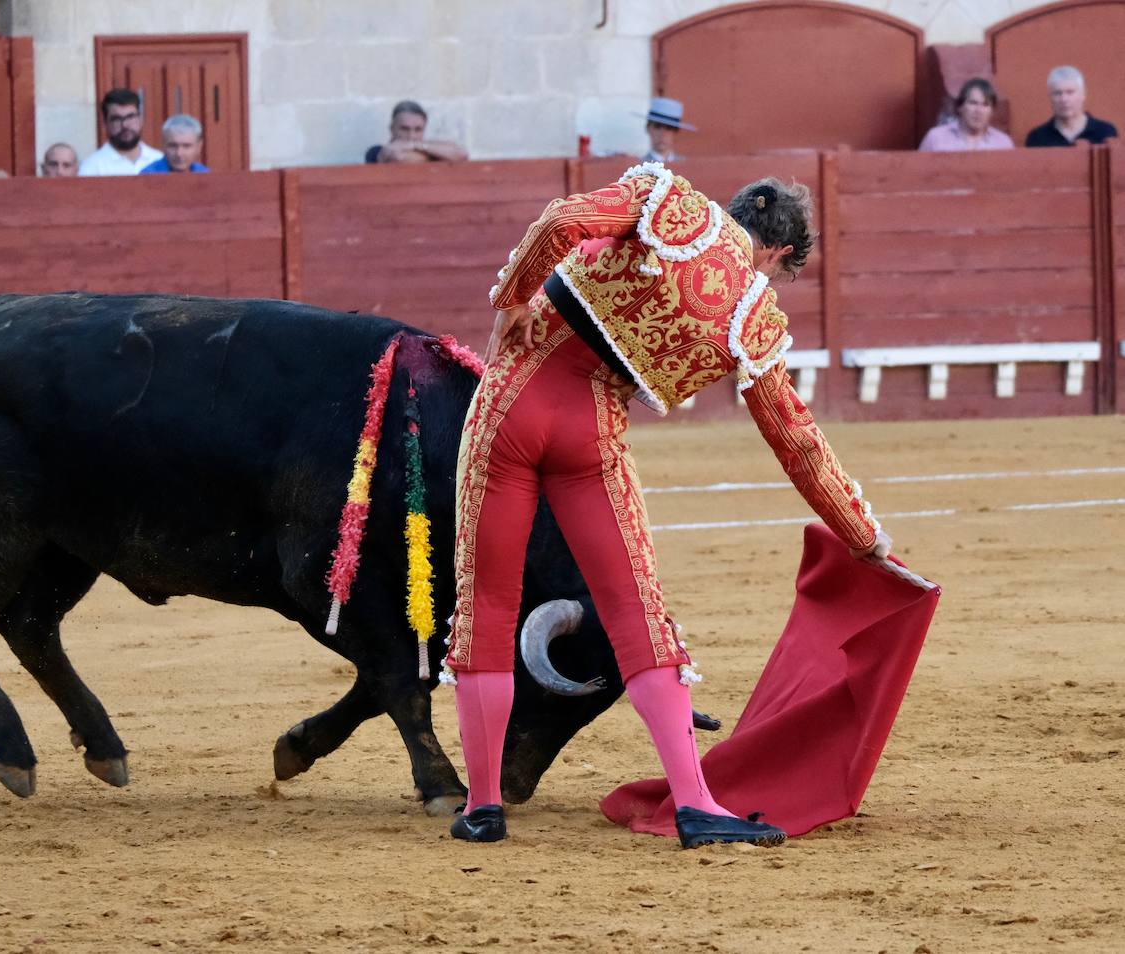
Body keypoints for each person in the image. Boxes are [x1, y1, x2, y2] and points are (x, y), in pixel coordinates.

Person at [445, 164, 891, 847]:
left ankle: (482, 808)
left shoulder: (668, 200)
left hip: (513, 398)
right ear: (776, 252)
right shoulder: (753, 314)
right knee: (638, 614)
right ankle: (695, 803)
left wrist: (512, 298)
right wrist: (862, 536)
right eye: (780, 272)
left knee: (488, 605)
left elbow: (562, 221)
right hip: (592, 435)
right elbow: (797, 443)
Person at [1024, 66, 1117, 147]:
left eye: (1070, 92)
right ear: (1050, 98)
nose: (1064, 99)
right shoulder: (1037, 138)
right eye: (1057, 93)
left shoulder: (1105, 132)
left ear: (1083, 95)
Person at [79, 88, 164, 176]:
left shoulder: (159, 160)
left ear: (140, 119)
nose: (125, 125)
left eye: (130, 117)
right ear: (105, 124)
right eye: (117, 119)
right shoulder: (92, 168)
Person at [918, 78, 1014, 151]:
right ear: (960, 107)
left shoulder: (1003, 143)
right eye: (973, 103)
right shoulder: (935, 138)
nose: (978, 110)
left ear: (992, 111)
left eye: (985, 105)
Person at [364, 100, 468, 164]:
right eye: (404, 129)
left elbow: (462, 154)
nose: (411, 135)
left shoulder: (425, 148)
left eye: (418, 129)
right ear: (392, 129)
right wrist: (440, 156)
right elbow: (400, 158)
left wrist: (416, 146)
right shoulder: (376, 151)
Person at [139, 114, 210, 174]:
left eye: (186, 146)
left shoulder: (204, 174)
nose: (179, 153)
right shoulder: (148, 176)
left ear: (199, 146)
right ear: (163, 145)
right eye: (173, 146)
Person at [642, 97, 695, 162]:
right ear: (648, 128)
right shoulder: (639, 165)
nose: (662, 134)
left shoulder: (685, 164)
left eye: (669, 127)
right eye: (657, 126)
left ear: (676, 132)